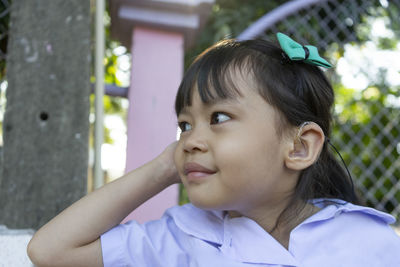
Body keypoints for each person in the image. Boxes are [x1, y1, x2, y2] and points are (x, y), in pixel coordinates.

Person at [27, 33, 400, 267]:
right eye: (185, 125)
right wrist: (163, 167)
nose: (190, 139)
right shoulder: (180, 238)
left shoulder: (369, 242)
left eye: (218, 117)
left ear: (300, 147)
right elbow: (50, 251)